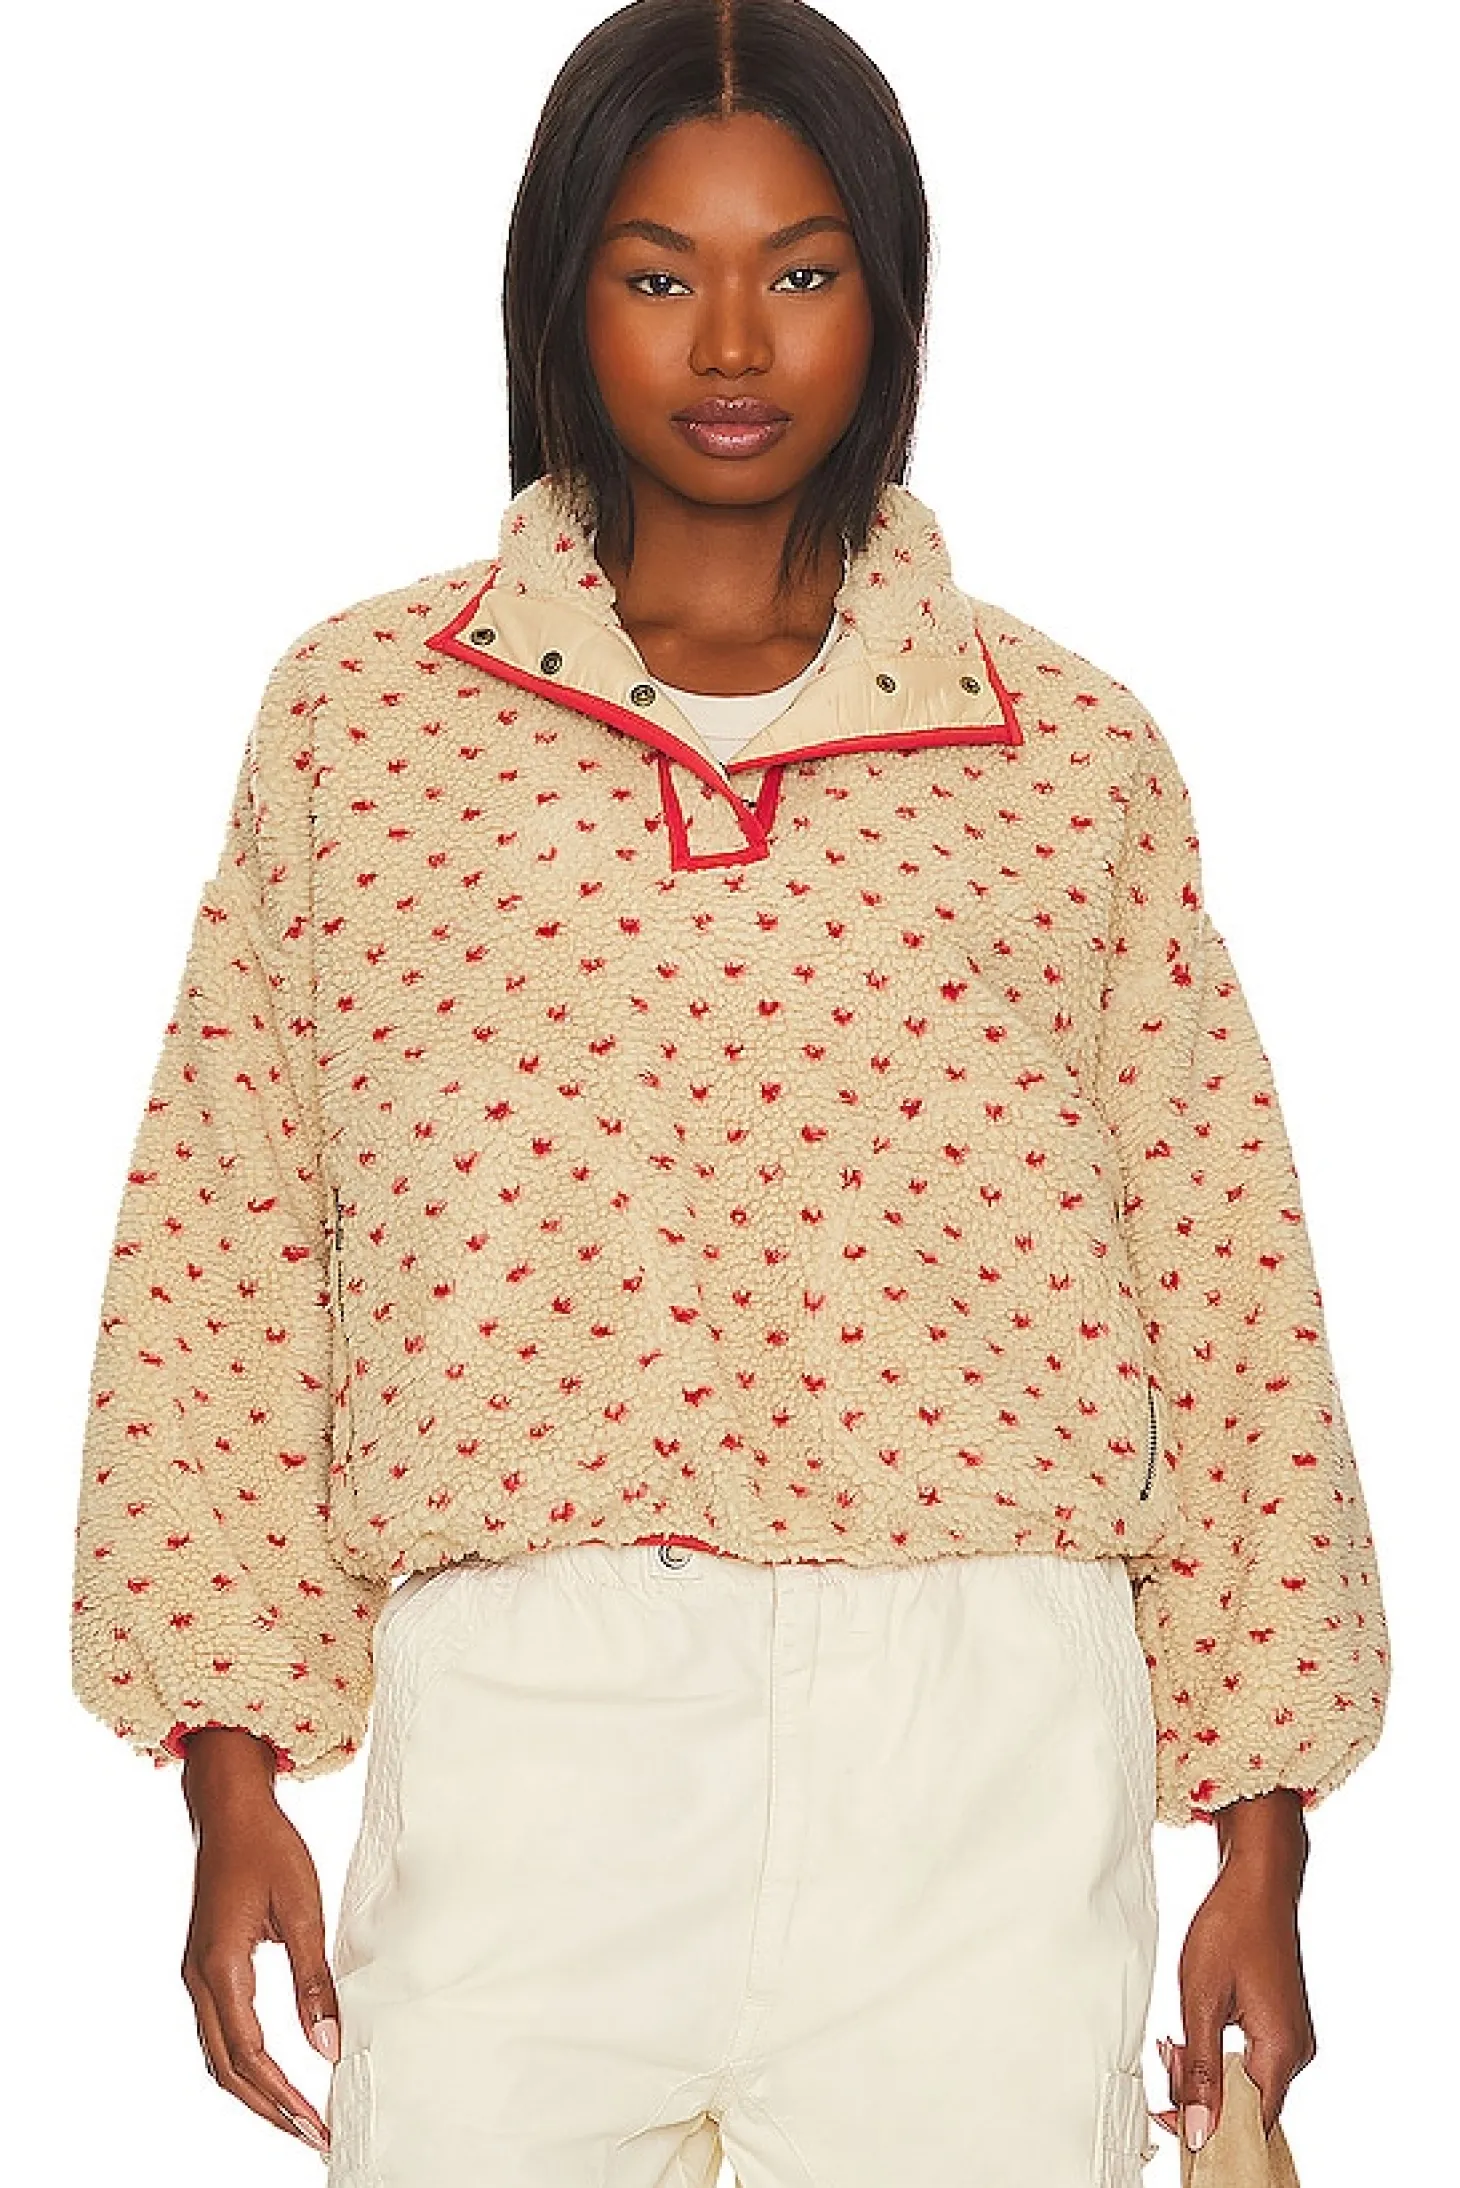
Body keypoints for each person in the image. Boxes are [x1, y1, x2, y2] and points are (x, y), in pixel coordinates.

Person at [69, 3, 1391, 2182]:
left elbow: (1225, 1264)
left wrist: (1265, 1840)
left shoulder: (1063, 752)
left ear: (891, 294)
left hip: (979, 1731)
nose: (734, 343)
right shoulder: (364, 724)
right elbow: (226, 1242)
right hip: (524, 1724)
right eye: (658, 270)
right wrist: (229, 1779)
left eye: (802, 268)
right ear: (558, 290)